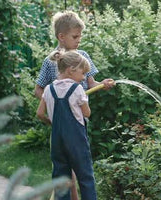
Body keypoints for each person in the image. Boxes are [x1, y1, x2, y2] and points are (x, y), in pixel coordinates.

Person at [34, 11, 114, 200]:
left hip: (78, 122)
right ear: (61, 37)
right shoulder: (51, 61)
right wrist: (54, 109)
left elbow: (90, 83)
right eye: (75, 36)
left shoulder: (82, 56)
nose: (79, 40)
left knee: (70, 168)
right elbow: (39, 90)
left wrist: (103, 85)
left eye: (80, 36)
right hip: (62, 122)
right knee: (74, 170)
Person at [37, 50, 97, 200]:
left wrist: (52, 123)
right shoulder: (77, 89)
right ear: (71, 70)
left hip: (57, 142)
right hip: (76, 142)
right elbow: (87, 113)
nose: (83, 78)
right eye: (83, 74)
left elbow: (39, 113)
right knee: (85, 178)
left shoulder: (49, 89)